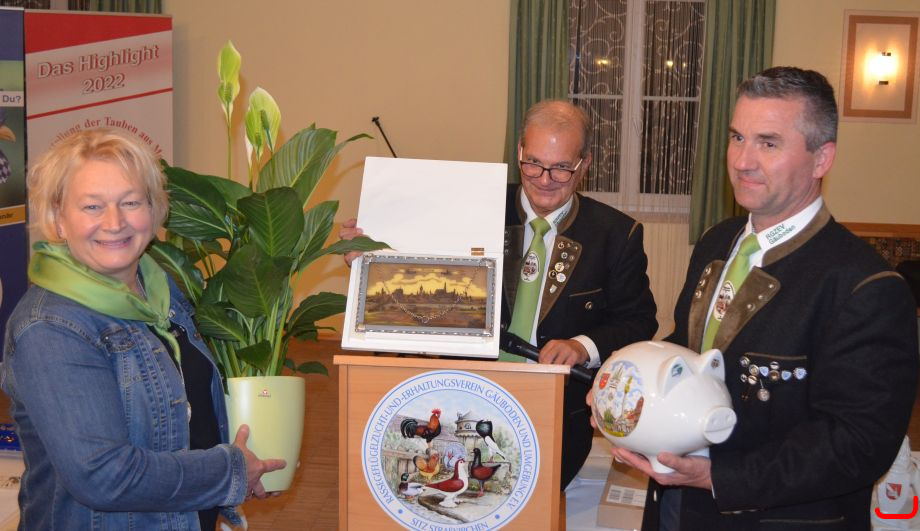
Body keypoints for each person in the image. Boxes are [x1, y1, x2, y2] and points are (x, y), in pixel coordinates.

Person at [595, 67, 919, 530]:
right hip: (676, 509)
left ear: (822, 158)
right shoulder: (717, 241)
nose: (742, 161)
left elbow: (860, 444)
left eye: (768, 143)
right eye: (737, 137)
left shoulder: (866, 285)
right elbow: (689, 352)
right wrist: (624, 387)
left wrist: (719, 477)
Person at [342, 100, 659, 489]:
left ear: (584, 164)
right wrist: (368, 259)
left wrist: (582, 346)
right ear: (520, 152)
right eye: (533, 163)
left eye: (561, 167)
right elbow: (417, 270)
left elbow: (638, 320)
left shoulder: (616, 235)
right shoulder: (474, 208)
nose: (545, 179)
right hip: (460, 396)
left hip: (557, 414)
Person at [1, 129, 286, 530]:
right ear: (58, 219)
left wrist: (247, 467)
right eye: (92, 206)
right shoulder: (50, 328)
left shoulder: (158, 287)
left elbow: (188, 411)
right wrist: (230, 471)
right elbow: (104, 476)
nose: (114, 222)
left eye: (131, 202)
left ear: (154, 210)